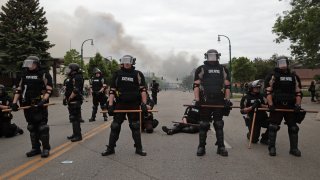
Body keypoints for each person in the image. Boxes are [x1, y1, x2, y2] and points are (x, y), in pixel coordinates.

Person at [101, 55, 148, 156]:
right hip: (120, 104)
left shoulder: (138, 74)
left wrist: (144, 104)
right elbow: (112, 90)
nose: (127, 63)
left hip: (134, 104)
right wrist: (110, 105)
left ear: (132, 63)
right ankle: (110, 148)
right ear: (122, 62)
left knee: (135, 126)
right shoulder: (117, 74)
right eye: (125, 61)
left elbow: (143, 90)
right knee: (115, 126)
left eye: (129, 61)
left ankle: (139, 148)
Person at [193, 49, 232, 157]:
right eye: (210, 56)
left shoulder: (223, 69)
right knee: (203, 124)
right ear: (206, 56)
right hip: (205, 99)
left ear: (218, 56)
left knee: (219, 124)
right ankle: (201, 146)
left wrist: (227, 100)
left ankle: (221, 147)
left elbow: (227, 86)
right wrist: (197, 100)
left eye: (214, 56)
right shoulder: (201, 69)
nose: (212, 58)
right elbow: (196, 86)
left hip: (219, 99)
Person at [11, 56, 52, 158]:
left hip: (39, 104)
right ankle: (36, 148)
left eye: (31, 63)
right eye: (27, 63)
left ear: (36, 64)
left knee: (42, 127)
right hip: (26, 104)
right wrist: (14, 103)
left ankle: (46, 148)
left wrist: (43, 101)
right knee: (32, 127)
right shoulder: (23, 74)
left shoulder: (44, 74)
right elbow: (18, 90)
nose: (29, 65)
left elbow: (49, 90)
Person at [264, 56, 305, 157]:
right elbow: (268, 91)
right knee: (273, 127)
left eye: (284, 63)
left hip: (290, 105)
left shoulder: (293, 76)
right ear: (277, 64)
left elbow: (298, 92)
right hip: (277, 105)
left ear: (287, 63)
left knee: (294, 128)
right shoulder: (272, 76)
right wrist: (271, 105)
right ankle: (272, 148)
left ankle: (294, 149)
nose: (282, 65)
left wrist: (298, 105)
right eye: (280, 63)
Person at [240, 80, 269, 145]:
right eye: (256, 87)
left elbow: (269, 107)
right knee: (254, 140)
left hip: (263, 118)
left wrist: (261, 105)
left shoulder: (262, 96)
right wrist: (252, 107)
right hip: (252, 119)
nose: (258, 89)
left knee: (273, 126)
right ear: (251, 88)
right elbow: (242, 111)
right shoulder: (246, 98)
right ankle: (250, 134)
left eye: (259, 87)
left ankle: (265, 138)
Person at [63, 63, 84, 142]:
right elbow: (67, 89)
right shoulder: (70, 78)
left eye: (69, 69)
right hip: (70, 100)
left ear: (73, 69)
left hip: (76, 99)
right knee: (73, 117)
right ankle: (75, 133)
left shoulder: (78, 77)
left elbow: (76, 90)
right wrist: (65, 98)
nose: (68, 70)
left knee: (75, 118)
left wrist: (70, 98)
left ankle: (78, 136)